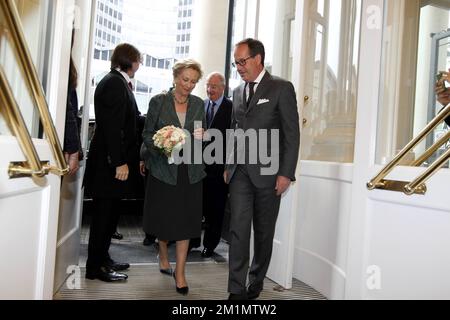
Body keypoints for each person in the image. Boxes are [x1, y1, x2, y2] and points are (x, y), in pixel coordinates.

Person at [224, 38, 300, 300]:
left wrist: (286, 173)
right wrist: (228, 163)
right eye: (236, 63)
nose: (239, 68)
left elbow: (292, 134)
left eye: (242, 62)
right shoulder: (236, 91)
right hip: (240, 174)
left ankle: (255, 283)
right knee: (238, 229)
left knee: (264, 233)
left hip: (269, 174)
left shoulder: (281, 88)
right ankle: (236, 289)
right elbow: (234, 130)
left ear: (258, 59)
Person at [142, 59, 205, 295]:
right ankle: (162, 253)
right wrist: (164, 144)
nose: (188, 85)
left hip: (190, 171)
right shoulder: (158, 101)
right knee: (165, 219)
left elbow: (200, 134)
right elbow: (147, 135)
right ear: (176, 77)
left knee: (186, 221)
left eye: (193, 81)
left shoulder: (199, 104)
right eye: (185, 80)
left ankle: (180, 272)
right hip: (163, 170)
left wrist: (204, 134)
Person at [83, 43, 142, 282]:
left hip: (111, 165)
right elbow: (112, 128)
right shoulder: (114, 84)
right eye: (138, 59)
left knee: (110, 216)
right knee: (103, 218)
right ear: (130, 60)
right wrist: (119, 162)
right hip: (109, 167)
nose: (139, 64)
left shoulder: (116, 82)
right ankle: (94, 269)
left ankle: (103, 259)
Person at [197, 72, 232, 258]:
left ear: (223, 88)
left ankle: (210, 245)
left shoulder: (231, 107)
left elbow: (232, 138)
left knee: (215, 209)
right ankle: (192, 240)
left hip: (219, 168)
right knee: (196, 205)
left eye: (214, 86)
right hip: (200, 166)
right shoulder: (200, 105)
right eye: (208, 86)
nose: (210, 89)